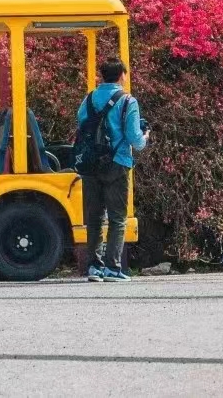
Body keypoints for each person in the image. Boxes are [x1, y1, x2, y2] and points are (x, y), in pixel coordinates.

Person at [77, 58, 148, 282]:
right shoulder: (128, 101)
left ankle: (94, 268)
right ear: (122, 75)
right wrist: (145, 138)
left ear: (102, 75)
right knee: (117, 217)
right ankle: (113, 268)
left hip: (90, 164)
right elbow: (134, 138)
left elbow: (81, 123)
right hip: (117, 161)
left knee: (94, 217)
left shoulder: (89, 98)